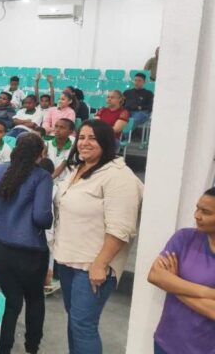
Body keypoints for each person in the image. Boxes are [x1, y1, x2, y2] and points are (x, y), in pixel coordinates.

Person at [53, 119, 142, 353]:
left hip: (93, 265)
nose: (85, 143)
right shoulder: (79, 169)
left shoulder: (119, 176)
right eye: (82, 137)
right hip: (69, 259)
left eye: (92, 138)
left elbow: (121, 228)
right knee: (75, 320)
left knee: (83, 325)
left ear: (106, 141)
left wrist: (100, 264)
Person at [0, 132, 53, 354]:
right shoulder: (42, 177)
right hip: (29, 251)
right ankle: (31, 347)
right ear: (41, 154)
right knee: (34, 299)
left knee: (11, 301)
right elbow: (41, 217)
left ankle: (3, 349)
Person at [148, 187, 215, 354]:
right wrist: (207, 292)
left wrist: (173, 283)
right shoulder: (185, 237)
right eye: (197, 208)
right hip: (166, 340)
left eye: (206, 212)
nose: (197, 215)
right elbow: (155, 275)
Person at [45, 118, 75, 182]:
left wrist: (48, 180)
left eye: (62, 127)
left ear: (71, 132)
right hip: (48, 179)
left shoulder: (73, 147)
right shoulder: (47, 144)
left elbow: (62, 166)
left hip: (65, 182)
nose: (57, 130)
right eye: (56, 126)